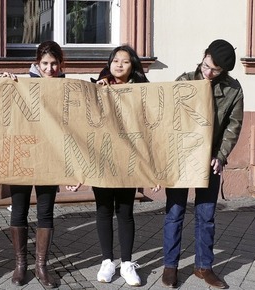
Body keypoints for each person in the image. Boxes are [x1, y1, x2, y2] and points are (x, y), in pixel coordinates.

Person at [161, 39, 243, 289]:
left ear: (224, 71)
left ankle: (204, 267)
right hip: (180, 158)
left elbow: (233, 125)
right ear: (204, 55)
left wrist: (221, 155)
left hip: (210, 160)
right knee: (174, 213)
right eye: (207, 65)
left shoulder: (233, 90)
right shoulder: (184, 81)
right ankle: (170, 266)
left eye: (215, 70)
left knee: (206, 215)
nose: (208, 73)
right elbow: (166, 117)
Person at [70, 45, 150, 287]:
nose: (119, 65)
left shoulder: (142, 91)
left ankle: (126, 263)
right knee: (103, 209)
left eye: (125, 62)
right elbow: (84, 123)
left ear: (133, 66)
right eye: (115, 60)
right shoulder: (97, 86)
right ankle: (107, 261)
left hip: (128, 159)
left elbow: (150, 127)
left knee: (125, 211)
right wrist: (98, 94)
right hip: (101, 157)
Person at [7, 40, 63, 288]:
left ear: (60, 65)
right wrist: (4, 81)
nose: (49, 69)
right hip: (22, 154)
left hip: (50, 157)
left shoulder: (67, 87)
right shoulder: (21, 83)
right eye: (45, 64)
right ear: (36, 64)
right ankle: (20, 265)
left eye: (53, 64)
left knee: (45, 211)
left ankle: (41, 265)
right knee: (19, 209)